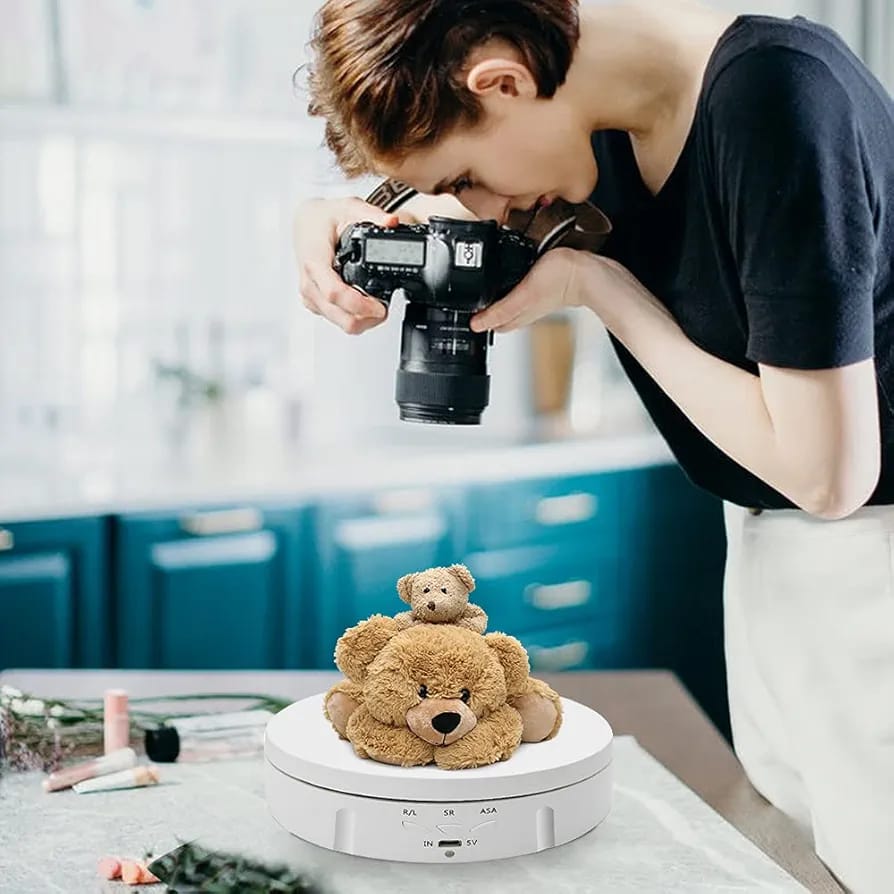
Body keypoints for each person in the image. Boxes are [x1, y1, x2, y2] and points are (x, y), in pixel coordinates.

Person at [294, 2, 894, 889]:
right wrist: (325, 216)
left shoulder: (776, 94)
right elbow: (421, 174)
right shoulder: (593, 127)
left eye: (468, 179)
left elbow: (831, 474)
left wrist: (601, 290)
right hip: (770, 559)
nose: (482, 211)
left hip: (870, 572)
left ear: (503, 80)